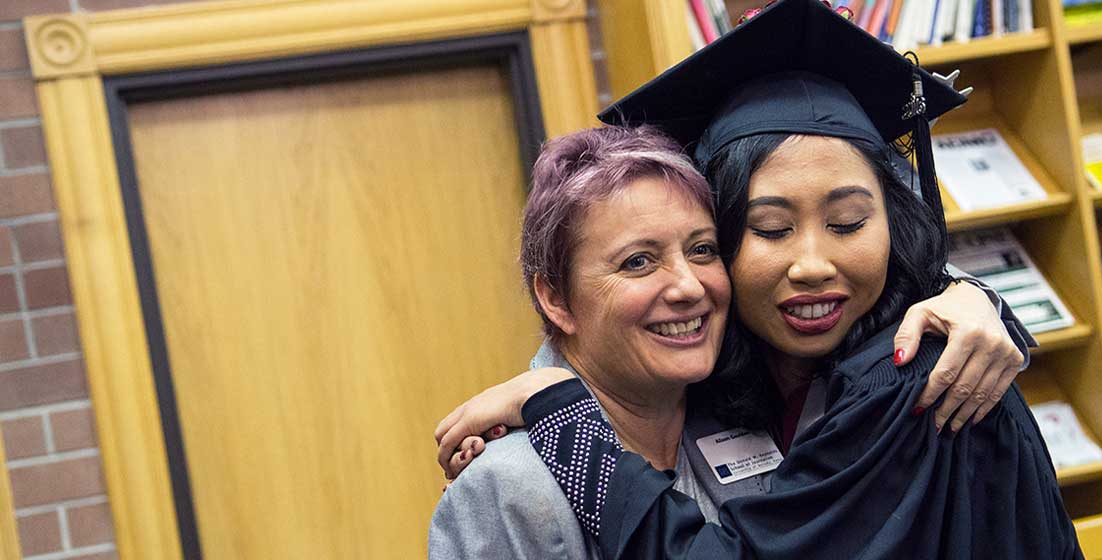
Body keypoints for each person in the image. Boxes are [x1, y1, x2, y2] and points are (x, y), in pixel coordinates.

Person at [467, 0, 1080, 558]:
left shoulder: (916, 381)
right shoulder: (733, 369)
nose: (813, 264)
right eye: (771, 229)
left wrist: (560, 416)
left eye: (847, 222)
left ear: (893, 225)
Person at [430, 130, 1030, 560]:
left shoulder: (746, 407)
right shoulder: (511, 486)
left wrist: (971, 292)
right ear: (556, 299)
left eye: (703, 249)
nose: (689, 287)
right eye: (638, 262)